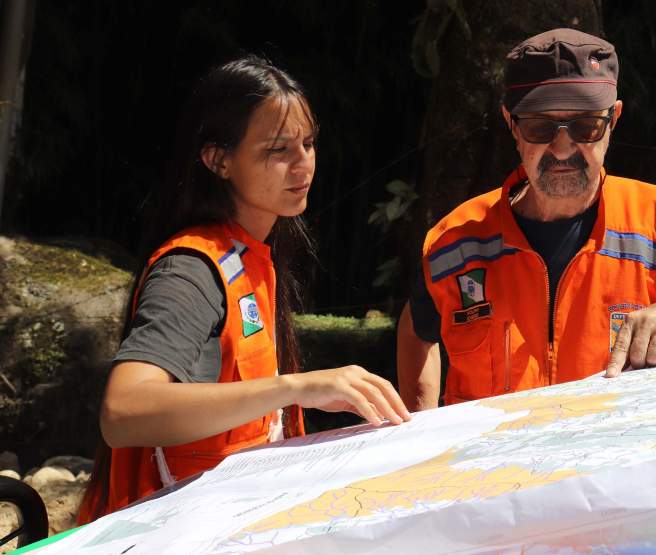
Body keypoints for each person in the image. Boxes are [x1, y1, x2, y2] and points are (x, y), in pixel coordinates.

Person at [79, 56, 410, 522]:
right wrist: (298, 386)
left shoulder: (253, 254)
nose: (303, 164)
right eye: (278, 150)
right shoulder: (190, 270)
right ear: (218, 160)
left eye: (309, 143)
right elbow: (123, 411)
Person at [397, 29, 656, 410]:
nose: (563, 147)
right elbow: (417, 327)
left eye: (585, 126)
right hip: (488, 467)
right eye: (540, 127)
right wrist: (420, 428)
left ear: (613, 119)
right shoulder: (455, 240)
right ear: (512, 126)